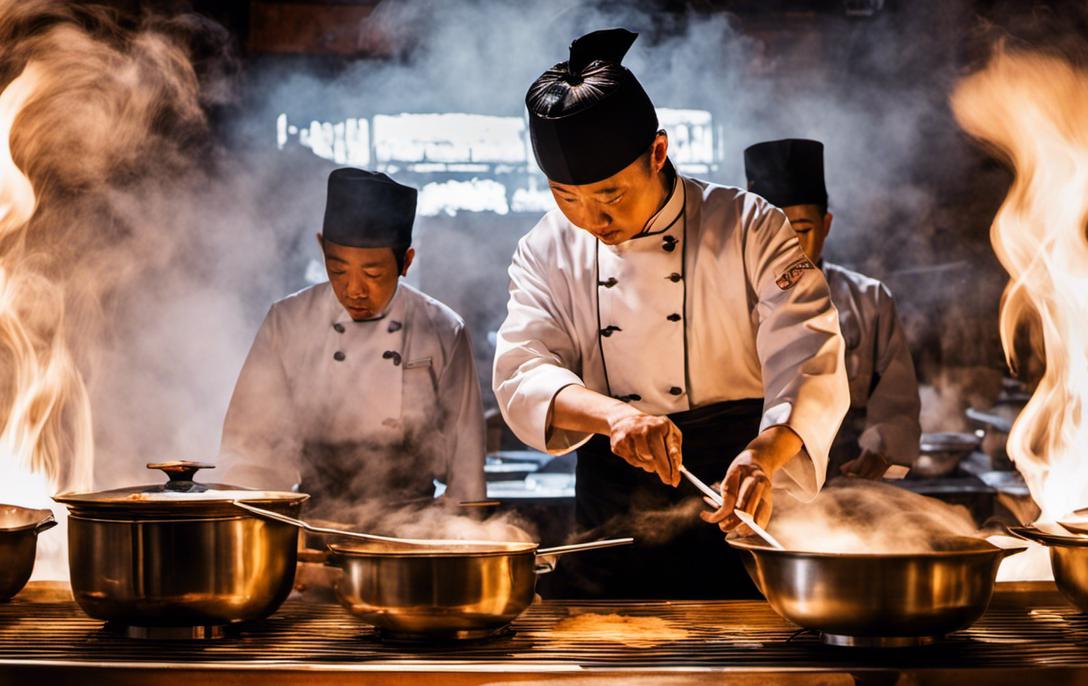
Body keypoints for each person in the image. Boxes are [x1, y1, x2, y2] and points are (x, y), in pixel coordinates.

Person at [492, 29, 849, 598]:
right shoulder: (545, 247)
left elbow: (811, 355)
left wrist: (766, 455)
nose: (591, 220)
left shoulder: (748, 225)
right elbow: (522, 370)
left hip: (740, 484)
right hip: (614, 501)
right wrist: (616, 418)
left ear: (658, 153)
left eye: (609, 194)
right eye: (566, 196)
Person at [219, 168, 486, 518]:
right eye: (338, 270)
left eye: (373, 274)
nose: (354, 290)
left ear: (405, 262)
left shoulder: (443, 328)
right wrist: (262, 527)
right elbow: (251, 445)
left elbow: (466, 458)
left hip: (415, 530)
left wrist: (460, 538)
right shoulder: (287, 322)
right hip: (316, 524)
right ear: (322, 248)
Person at [745, 139, 920, 478]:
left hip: (847, 477)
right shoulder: (732, 301)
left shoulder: (869, 300)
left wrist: (881, 448)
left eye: (801, 231)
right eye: (773, 237)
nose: (787, 250)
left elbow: (897, 401)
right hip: (759, 479)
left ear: (825, 225)